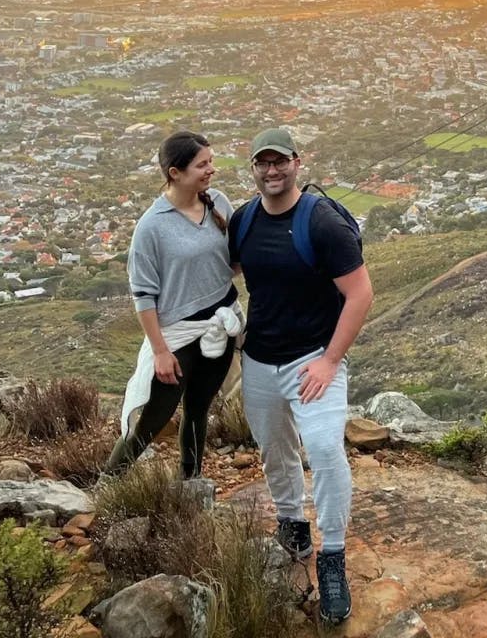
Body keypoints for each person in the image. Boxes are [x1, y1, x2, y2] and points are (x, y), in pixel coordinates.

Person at [229, 127, 373, 626]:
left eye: (280, 161)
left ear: (296, 162)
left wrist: (330, 360)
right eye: (262, 163)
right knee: (275, 449)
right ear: (253, 168)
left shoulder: (322, 223)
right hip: (260, 359)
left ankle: (332, 556)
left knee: (327, 450)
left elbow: (360, 295)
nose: (272, 170)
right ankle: (292, 523)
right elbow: (227, 273)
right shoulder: (243, 220)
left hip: (312, 360)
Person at [108, 130, 243, 480]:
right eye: (202, 164)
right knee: (156, 415)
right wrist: (159, 351)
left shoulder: (218, 203)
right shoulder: (152, 227)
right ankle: (109, 481)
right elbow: (143, 295)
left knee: (199, 409)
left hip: (220, 323)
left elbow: (232, 262)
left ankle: (191, 480)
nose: (211, 169)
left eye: (211, 161)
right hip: (178, 334)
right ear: (175, 173)